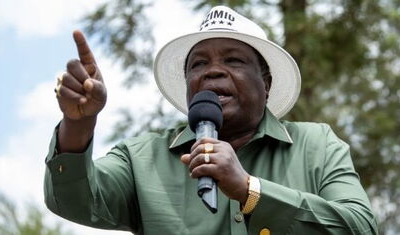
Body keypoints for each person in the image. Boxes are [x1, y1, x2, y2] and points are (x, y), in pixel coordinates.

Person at [44, 5, 378, 235]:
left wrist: (251, 191)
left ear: (266, 83)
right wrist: (79, 123)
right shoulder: (141, 158)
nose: (213, 70)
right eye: (199, 64)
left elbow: (360, 226)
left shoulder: (317, 145)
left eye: (233, 60)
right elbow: (75, 201)